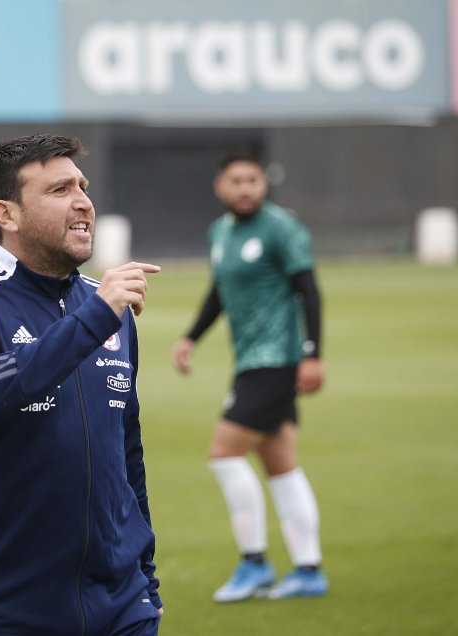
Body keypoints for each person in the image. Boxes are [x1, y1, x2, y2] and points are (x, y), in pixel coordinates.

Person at [0, 135, 163, 635]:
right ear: (6, 215)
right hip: (1, 611)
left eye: (83, 186)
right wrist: (94, 319)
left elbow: (127, 455)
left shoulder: (108, 309)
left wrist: (146, 580)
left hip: (121, 608)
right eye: (59, 190)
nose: (83, 202)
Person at [172, 149, 328, 602]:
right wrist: (191, 338)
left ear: (264, 185)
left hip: (277, 360)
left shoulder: (281, 227)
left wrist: (312, 354)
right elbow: (220, 292)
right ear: (220, 186)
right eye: (237, 181)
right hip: (250, 361)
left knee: (224, 454)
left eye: (253, 181)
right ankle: (308, 571)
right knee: (280, 465)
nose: (246, 189)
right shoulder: (219, 231)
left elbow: (309, 289)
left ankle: (254, 563)